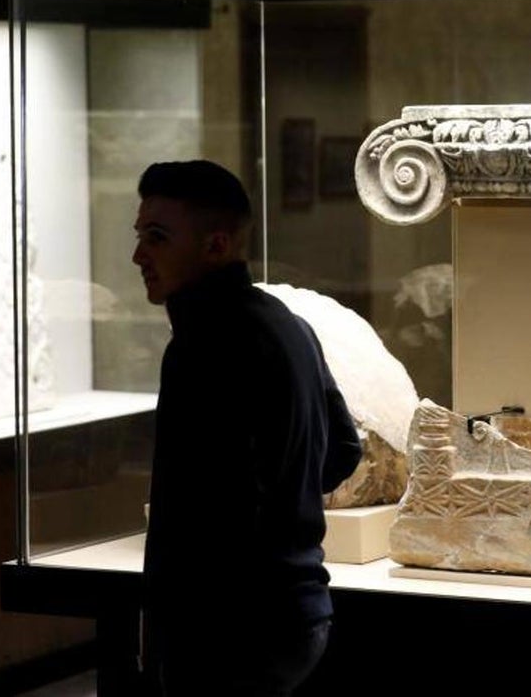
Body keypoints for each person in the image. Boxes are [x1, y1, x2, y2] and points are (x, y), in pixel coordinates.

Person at [131, 159, 363, 695]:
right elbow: (342, 453)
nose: (139, 255)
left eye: (158, 237)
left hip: (232, 631)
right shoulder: (289, 323)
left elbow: (205, 511)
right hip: (300, 612)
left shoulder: (201, 346)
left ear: (215, 246)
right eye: (141, 234)